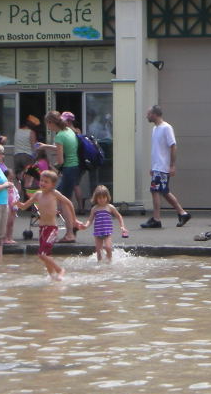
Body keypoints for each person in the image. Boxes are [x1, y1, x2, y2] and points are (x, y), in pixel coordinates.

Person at [16, 169, 78, 280]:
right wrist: (17, 203)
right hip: (42, 229)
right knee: (46, 255)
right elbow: (24, 206)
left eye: (46, 182)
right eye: (41, 181)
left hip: (52, 228)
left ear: (53, 184)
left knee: (42, 254)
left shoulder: (54, 194)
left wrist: (74, 219)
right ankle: (52, 277)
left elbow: (69, 203)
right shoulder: (37, 194)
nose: (42, 183)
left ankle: (60, 270)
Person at [141, 105, 191, 229]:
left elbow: (173, 146)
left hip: (162, 167)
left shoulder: (166, 128)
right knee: (164, 192)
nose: (147, 116)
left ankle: (156, 219)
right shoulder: (155, 129)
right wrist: (153, 166)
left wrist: (172, 165)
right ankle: (182, 213)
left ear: (155, 114)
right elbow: (156, 150)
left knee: (155, 191)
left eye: (148, 114)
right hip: (157, 166)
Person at [36, 111, 78, 242]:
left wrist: (53, 168)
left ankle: (70, 233)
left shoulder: (59, 136)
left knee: (63, 202)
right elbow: (63, 148)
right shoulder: (69, 131)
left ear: (50, 123)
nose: (47, 127)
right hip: (75, 167)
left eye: (47, 124)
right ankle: (73, 225)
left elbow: (60, 160)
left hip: (68, 169)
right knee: (63, 200)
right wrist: (46, 146)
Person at [79, 185, 129, 262]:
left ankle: (109, 261)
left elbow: (119, 216)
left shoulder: (110, 207)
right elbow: (90, 220)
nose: (102, 200)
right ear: (96, 198)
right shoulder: (94, 209)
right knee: (99, 251)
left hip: (107, 232)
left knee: (108, 247)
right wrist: (85, 226)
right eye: (99, 198)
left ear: (107, 197)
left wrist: (122, 226)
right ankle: (100, 265)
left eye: (104, 197)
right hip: (97, 233)